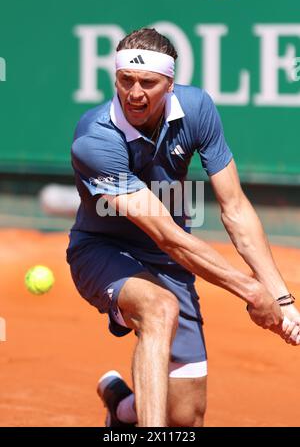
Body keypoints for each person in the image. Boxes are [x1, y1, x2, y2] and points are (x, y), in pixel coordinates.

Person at [66, 28, 300, 428]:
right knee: (159, 308)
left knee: (186, 418)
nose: (134, 93)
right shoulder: (95, 139)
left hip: (170, 260)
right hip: (102, 251)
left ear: (170, 84)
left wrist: (280, 299)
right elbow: (168, 236)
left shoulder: (197, 108)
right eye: (126, 80)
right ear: (116, 78)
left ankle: (122, 407)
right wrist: (249, 290)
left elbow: (236, 209)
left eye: (148, 83)